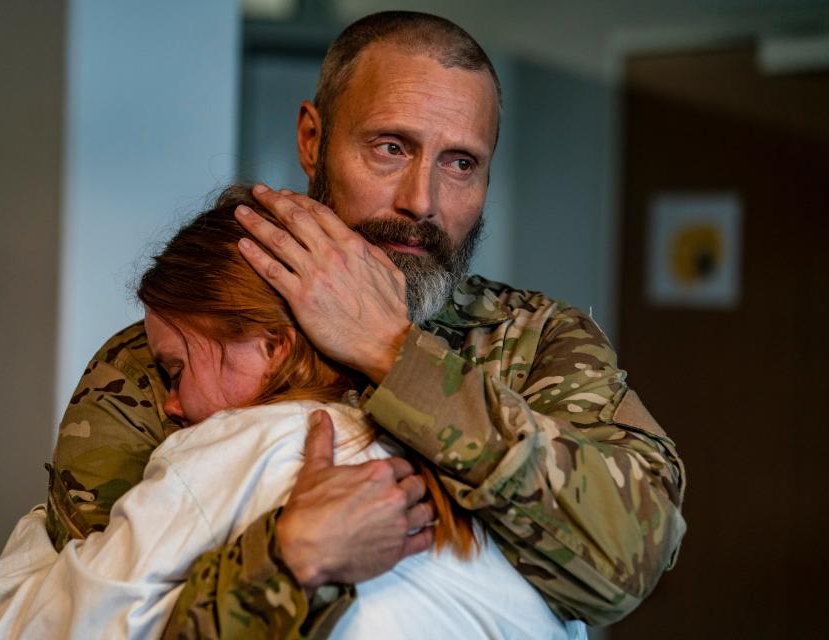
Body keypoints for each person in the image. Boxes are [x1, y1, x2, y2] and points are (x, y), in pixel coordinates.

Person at [42, 10, 686, 638]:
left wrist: (394, 353)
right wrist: (289, 558)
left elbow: (623, 568)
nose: (421, 200)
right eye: (390, 147)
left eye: (461, 163)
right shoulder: (176, 355)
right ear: (312, 141)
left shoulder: (537, 342)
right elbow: (89, 619)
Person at [0, 191, 587, 639]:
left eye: (175, 369)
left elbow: (28, 628)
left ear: (272, 344)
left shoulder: (231, 449)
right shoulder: (448, 458)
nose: (170, 405)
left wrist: (31, 548)